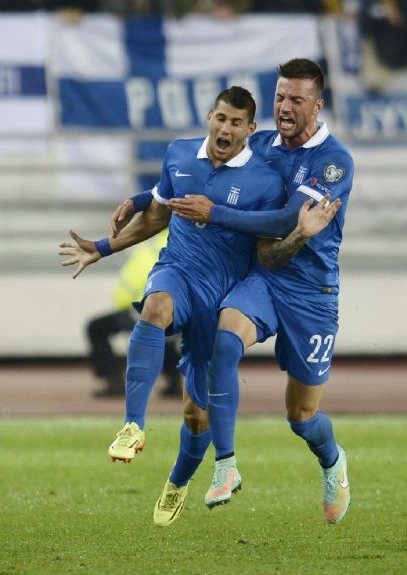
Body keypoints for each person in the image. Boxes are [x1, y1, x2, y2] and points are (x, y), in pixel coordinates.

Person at [113, 58, 355, 525]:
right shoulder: (260, 143)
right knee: (226, 337)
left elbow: (284, 220)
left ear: (317, 106)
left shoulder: (333, 161)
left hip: (312, 292)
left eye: (297, 99)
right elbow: (201, 170)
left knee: (302, 417)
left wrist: (214, 213)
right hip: (262, 277)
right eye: (280, 97)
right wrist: (144, 198)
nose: (285, 106)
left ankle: (332, 460)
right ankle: (226, 464)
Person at [59, 86, 293, 526]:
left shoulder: (265, 181)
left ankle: (178, 481)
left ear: (249, 129)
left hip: (220, 295)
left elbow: (269, 244)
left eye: (236, 122)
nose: (226, 128)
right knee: (155, 307)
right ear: (209, 117)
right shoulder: (180, 155)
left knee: (196, 415)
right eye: (220, 118)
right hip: (178, 271)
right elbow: (156, 215)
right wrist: (102, 247)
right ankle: (132, 425)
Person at [86, 229, 182, 398]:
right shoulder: (190, 242)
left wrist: (123, 304)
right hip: (180, 313)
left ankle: (113, 380)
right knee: (166, 335)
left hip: (145, 311)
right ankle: (175, 383)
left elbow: (133, 282)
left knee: (96, 327)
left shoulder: (151, 247)